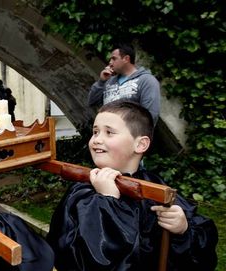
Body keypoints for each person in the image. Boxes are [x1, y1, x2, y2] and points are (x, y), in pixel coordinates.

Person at [46, 100, 218, 271]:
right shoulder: (82, 191)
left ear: (141, 144)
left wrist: (183, 230)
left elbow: (203, 250)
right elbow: (74, 257)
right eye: (95, 132)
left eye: (109, 132)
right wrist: (108, 202)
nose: (97, 139)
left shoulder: (153, 188)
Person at [88, 44, 161, 125]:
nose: (110, 62)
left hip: (129, 134)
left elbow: (151, 115)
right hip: (107, 133)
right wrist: (101, 82)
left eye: (114, 59)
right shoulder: (109, 81)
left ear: (126, 59)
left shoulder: (146, 80)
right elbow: (92, 102)